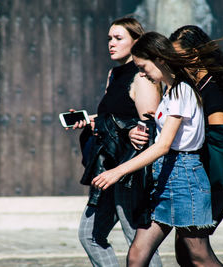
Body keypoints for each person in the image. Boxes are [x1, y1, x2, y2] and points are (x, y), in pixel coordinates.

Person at [92, 31, 223, 267]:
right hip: (166, 177)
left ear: (159, 59)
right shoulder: (170, 91)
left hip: (185, 178)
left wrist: (118, 171)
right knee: (137, 255)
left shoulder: (182, 90)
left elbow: (164, 146)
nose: (141, 73)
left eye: (143, 67)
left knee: (199, 257)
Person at [129, 26, 223, 266]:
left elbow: (219, 142)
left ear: (195, 55)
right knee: (183, 255)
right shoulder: (180, 86)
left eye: (178, 55)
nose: (172, 60)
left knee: (195, 255)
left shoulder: (210, 88)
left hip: (202, 174)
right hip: (177, 173)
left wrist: (210, 183)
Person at [70, 17, 162, 267]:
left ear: (136, 41)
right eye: (110, 38)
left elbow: (149, 126)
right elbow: (114, 116)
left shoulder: (143, 76)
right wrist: (91, 121)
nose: (111, 43)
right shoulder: (114, 74)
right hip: (106, 165)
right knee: (90, 235)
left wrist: (133, 131)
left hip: (129, 169)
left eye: (118, 38)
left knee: (138, 240)